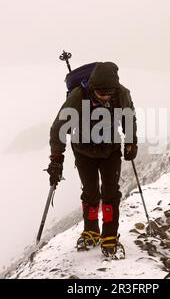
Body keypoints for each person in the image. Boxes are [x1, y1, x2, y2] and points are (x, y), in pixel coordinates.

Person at [47, 62, 137, 258]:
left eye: (108, 93)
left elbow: (129, 117)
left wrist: (131, 143)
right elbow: (58, 128)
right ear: (92, 87)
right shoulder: (78, 96)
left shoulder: (121, 93)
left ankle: (109, 235)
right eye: (100, 93)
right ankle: (91, 231)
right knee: (90, 192)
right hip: (83, 151)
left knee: (110, 193)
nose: (105, 96)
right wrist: (56, 159)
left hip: (111, 150)